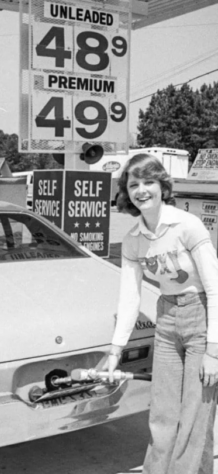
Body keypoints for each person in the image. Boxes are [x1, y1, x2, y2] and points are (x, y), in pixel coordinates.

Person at [98, 153, 218, 473]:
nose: (142, 190)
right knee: (163, 415)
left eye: (149, 182)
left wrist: (213, 352)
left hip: (201, 317)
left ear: (162, 186)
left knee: (195, 418)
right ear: (127, 192)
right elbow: (129, 297)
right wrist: (115, 350)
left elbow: (216, 286)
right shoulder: (133, 240)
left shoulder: (187, 226)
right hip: (166, 321)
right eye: (134, 184)